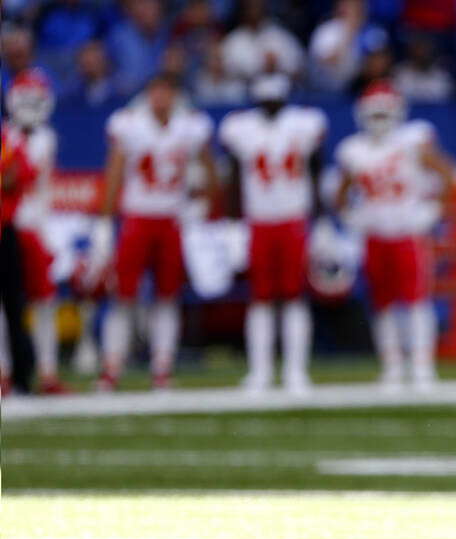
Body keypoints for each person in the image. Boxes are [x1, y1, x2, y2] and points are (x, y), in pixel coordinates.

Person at [95, 73, 216, 390]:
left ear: (174, 95)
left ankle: (162, 367)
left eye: (165, 92)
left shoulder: (189, 126)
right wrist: (106, 221)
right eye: (155, 92)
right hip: (137, 217)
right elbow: (115, 172)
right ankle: (112, 367)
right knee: (122, 296)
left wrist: (202, 202)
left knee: (167, 296)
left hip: (171, 219)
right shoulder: (131, 124)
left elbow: (209, 166)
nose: (159, 98)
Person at [333, 82, 454, 392]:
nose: (379, 119)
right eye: (374, 113)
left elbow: (446, 173)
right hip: (375, 233)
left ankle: (422, 367)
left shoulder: (413, 140)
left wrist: (434, 209)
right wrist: (351, 217)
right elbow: (341, 195)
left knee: (416, 300)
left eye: (384, 112)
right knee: (383, 303)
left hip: (409, 231)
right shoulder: (354, 149)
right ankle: (392, 367)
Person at [219, 73, 327, 394]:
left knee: (294, 296)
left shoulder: (303, 124)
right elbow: (234, 178)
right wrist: (234, 225)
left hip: (293, 219)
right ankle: (260, 371)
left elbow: (314, 171)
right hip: (259, 220)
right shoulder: (242, 128)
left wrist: (320, 221)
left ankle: (296, 371)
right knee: (261, 298)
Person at [3, 70, 66, 393]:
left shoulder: (43, 138)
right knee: (6, 305)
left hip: (35, 225)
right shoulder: (6, 136)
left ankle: (47, 371)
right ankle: (4, 371)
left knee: (44, 302)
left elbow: (25, 176)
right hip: (8, 226)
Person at [0, 119, 38, 395]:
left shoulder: (8, 139)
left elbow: (16, 177)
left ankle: (20, 375)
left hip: (3, 229)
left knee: (14, 306)